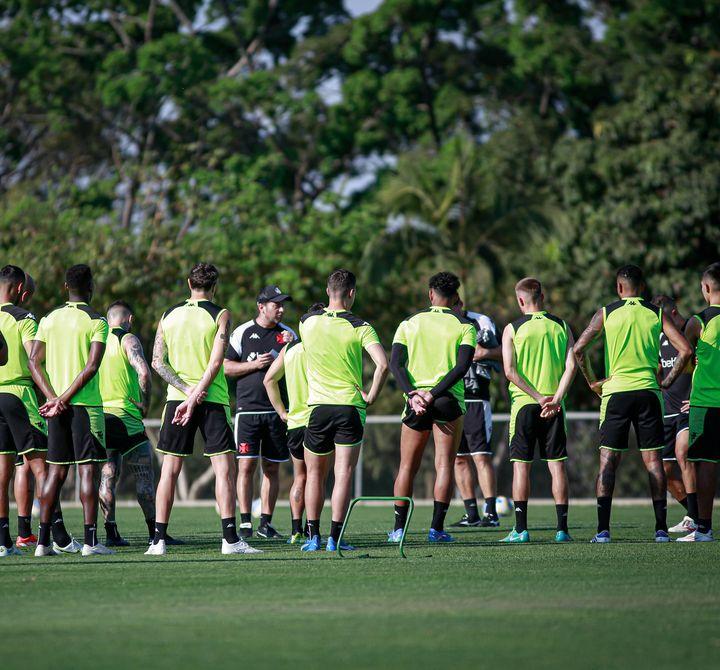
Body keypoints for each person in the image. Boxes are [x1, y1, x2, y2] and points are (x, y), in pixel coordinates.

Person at [147, 263, 260, 556]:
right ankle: (230, 540)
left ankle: (158, 541)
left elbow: (157, 362)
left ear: (188, 283)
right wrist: (196, 395)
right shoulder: (221, 314)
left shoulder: (167, 315)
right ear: (215, 286)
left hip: (177, 400)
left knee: (169, 471)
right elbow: (215, 364)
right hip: (211, 398)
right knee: (224, 470)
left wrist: (186, 395)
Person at [574, 265, 692, 543]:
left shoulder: (606, 312)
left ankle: (603, 531)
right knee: (653, 462)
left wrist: (593, 381)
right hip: (649, 394)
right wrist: (667, 381)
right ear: (641, 287)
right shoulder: (655, 313)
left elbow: (579, 349)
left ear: (618, 287)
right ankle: (661, 529)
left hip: (616, 393)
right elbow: (685, 350)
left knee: (608, 461)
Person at [299, 270, 388, 552]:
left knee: (314, 475)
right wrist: (371, 396)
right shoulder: (361, 326)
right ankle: (334, 539)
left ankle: (312, 537)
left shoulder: (306, 322)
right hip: (349, 406)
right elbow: (383, 364)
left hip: (318, 408)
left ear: (328, 291)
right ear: (352, 293)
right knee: (343, 473)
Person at [29, 264, 113, 556]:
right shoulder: (97, 320)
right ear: (90, 286)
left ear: (66, 287)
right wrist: (63, 398)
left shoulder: (49, 319)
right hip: (85, 407)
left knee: (55, 473)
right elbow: (91, 366)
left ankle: (42, 543)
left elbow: (33, 362)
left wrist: (53, 398)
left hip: (57, 409)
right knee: (88, 471)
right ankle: (90, 542)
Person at [388, 272, 476, 544]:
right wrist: (433, 394)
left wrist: (413, 395)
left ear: (430, 295)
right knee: (444, 466)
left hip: (415, 402)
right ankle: (436, 529)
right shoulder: (465, 326)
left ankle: (399, 530)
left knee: (406, 467)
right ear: (455, 298)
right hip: (447, 400)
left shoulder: (408, 323)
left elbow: (395, 364)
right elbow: (461, 368)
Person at [499, 278, 577, 543]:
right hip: (555, 407)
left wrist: (538, 397)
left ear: (521, 300)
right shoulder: (562, 326)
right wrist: (554, 399)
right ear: (542, 296)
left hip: (524, 405)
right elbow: (571, 367)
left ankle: (520, 530)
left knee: (521, 468)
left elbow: (510, 372)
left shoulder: (512, 328)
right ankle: (562, 530)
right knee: (557, 468)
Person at [224, 285, 295, 540]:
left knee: (272, 468)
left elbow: (300, 366)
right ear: (261, 307)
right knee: (246, 467)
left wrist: (292, 346)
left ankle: (265, 523)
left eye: (282, 304)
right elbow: (225, 367)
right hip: (247, 410)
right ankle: (245, 522)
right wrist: (254, 364)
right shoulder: (243, 332)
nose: (281, 309)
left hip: (278, 412)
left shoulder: (288, 335)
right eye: (276, 304)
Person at [98, 300, 169, 546]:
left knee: (108, 475)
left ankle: (111, 533)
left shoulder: (95, 342)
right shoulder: (127, 339)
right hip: (127, 418)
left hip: (102, 418)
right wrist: (144, 403)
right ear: (129, 319)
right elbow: (144, 372)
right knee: (144, 476)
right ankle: (154, 533)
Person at [263, 304, 324, 545]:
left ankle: (295, 530)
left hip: (295, 422)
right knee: (317, 477)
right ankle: (313, 531)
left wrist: (282, 412)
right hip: (317, 420)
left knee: (301, 477)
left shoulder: (290, 348)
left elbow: (269, 380)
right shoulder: (320, 346)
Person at [450, 299, 502, 528]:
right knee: (458, 459)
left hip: (476, 398)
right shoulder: (442, 323)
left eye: (452, 306)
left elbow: (506, 350)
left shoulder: (481, 322)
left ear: (459, 303)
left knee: (481, 456)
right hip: (450, 399)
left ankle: (491, 513)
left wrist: (483, 352)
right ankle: (471, 513)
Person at [679, 263, 720, 542]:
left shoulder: (699, 320)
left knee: (705, 464)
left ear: (706, 288)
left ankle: (703, 528)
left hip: (706, 401)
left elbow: (682, 355)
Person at [651, 295, 696, 535]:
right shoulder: (658, 339)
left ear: (675, 314)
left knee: (683, 452)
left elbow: (705, 368)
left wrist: (697, 398)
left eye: (665, 320)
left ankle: (697, 517)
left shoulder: (692, 333)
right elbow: (658, 370)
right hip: (666, 412)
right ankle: (693, 514)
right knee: (665, 473)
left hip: (687, 409)